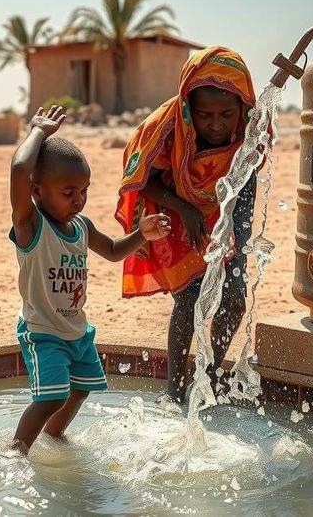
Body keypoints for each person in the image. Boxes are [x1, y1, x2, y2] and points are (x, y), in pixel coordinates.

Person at [9, 106, 171, 455]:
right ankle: (16, 451)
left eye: (84, 191)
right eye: (68, 193)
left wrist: (141, 234)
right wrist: (38, 131)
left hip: (77, 331)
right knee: (51, 396)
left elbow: (113, 250)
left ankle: (53, 438)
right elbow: (20, 169)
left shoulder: (81, 227)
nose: (78, 200)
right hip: (43, 331)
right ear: (37, 192)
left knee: (79, 390)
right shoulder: (31, 226)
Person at [115, 46, 259, 403]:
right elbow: (139, 178)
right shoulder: (164, 128)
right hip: (173, 208)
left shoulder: (251, 132)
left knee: (235, 298)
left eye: (226, 114)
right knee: (190, 297)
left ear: (242, 107)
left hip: (225, 210)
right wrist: (184, 209)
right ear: (187, 108)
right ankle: (176, 389)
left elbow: (247, 186)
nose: (215, 124)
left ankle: (209, 377)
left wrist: (234, 237)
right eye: (204, 115)